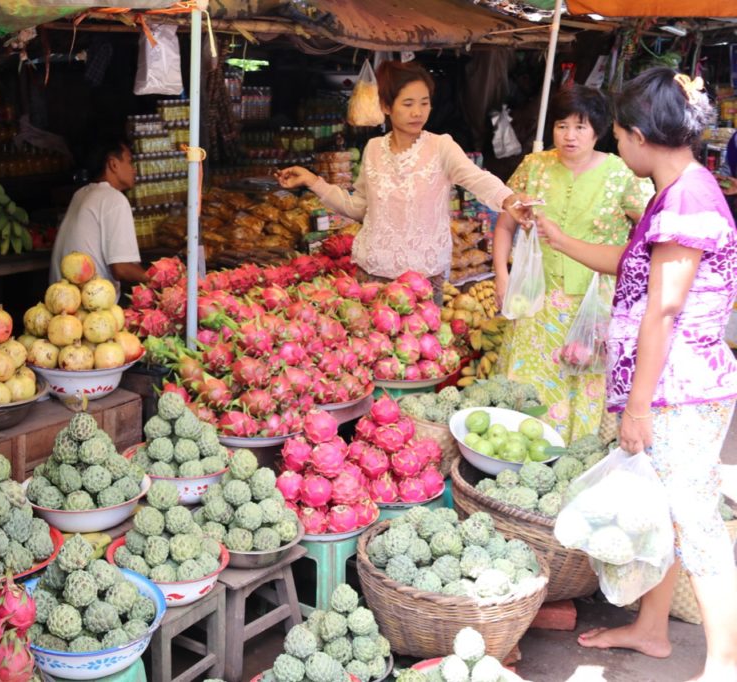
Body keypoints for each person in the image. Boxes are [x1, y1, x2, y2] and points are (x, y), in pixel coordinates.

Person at [537, 68, 737, 680]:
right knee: (672, 512)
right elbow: (627, 265)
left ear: (643, 135)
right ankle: (653, 630)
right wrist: (556, 237)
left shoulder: (689, 201)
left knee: (696, 521)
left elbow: (664, 308)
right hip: (674, 385)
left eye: (619, 135)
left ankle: (725, 664)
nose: (616, 147)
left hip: (680, 390)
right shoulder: (676, 193)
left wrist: (639, 406)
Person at [276, 61, 533, 295]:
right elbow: (359, 209)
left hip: (423, 281)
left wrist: (508, 198)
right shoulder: (374, 149)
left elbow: (476, 178)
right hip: (372, 275)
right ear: (387, 106)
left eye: (424, 102)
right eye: (408, 104)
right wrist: (313, 181)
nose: (418, 112)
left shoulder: (441, 147)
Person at [493, 86, 652, 442]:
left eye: (580, 127)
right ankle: (525, 451)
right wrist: (502, 277)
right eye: (561, 125)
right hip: (537, 301)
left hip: (594, 304)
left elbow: (647, 237)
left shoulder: (622, 174)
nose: (569, 135)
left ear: (598, 130)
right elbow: (504, 225)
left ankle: (578, 458)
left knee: (586, 381)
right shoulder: (534, 167)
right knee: (531, 382)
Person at [50, 138, 148, 300]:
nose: (134, 170)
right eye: (130, 162)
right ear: (113, 164)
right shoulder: (114, 199)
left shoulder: (81, 194)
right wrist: (161, 281)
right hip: (88, 309)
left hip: (60, 300)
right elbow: (121, 268)